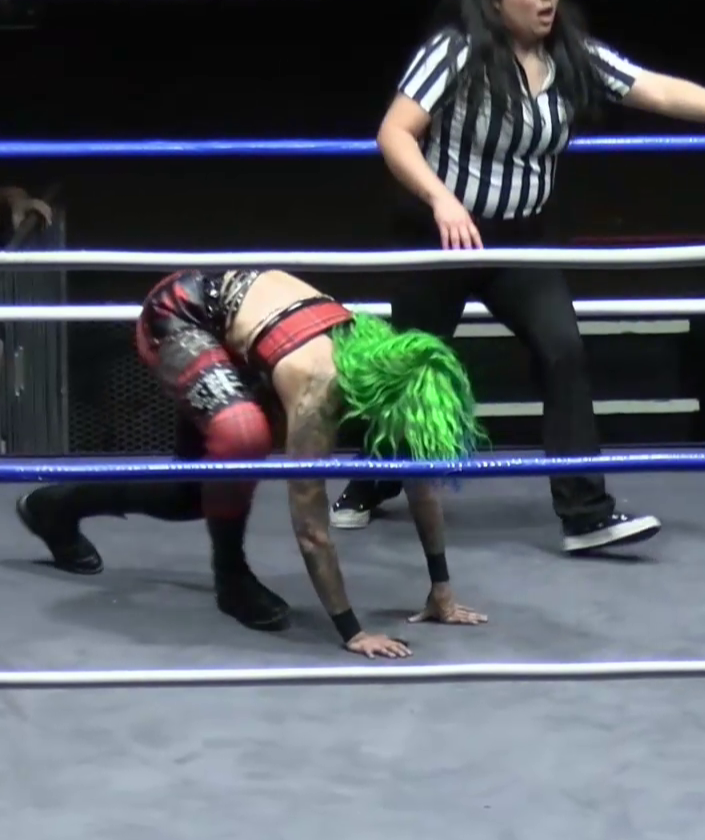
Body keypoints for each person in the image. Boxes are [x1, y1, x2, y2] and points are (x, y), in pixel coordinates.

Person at [331, 0, 705, 553]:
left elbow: (651, 86)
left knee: (564, 352)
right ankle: (371, 480)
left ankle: (584, 512)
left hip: (520, 242)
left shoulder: (570, 54)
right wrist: (441, 198)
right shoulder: (455, 51)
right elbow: (395, 132)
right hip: (440, 233)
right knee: (409, 369)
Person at [15, 269, 488, 658]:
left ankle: (56, 506)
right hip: (180, 313)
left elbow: (417, 476)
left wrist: (441, 589)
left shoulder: (397, 365)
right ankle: (232, 576)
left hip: (245, 334)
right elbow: (310, 526)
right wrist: (352, 631)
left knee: (192, 495)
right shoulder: (318, 388)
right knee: (242, 436)